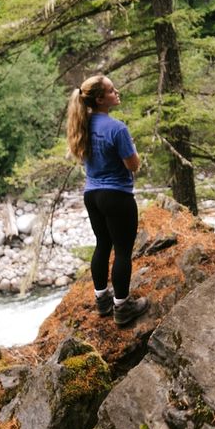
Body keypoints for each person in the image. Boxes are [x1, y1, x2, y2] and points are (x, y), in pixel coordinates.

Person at [66, 75, 150, 326]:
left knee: (102, 244)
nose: (117, 92)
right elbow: (133, 165)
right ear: (101, 99)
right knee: (122, 251)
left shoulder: (82, 124)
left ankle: (102, 300)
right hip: (117, 196)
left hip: (92, 196)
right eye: (112, 90)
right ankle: (122, 307)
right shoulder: (117, 128)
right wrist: (133, 149)